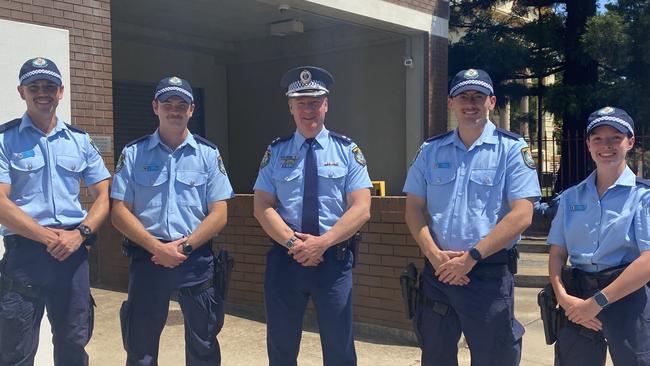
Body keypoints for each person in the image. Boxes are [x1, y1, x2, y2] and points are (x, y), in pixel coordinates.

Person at [403, 68, 540, 365]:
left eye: (478, 96)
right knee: (436, 357)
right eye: (462, 96)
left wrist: (471, 258)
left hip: (487, 274)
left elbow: (522, 214)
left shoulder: (511, 149)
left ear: (491, 102)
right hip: (438, 274)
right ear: (450, 103)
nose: (470, 103)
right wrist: (435, 255)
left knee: (494, 358)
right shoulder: (430, 150)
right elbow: (413, 207)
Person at [253, 66, 372, 366]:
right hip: (285, 261)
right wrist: (295, 244)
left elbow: (361, 207)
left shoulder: (347, 150)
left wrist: (323, 243)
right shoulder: (276, 152)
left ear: (326, 105)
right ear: (291, 107)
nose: (309, 110)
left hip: (333, 262)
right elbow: (262, 206)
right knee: (281, 346)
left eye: (315, 101)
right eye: (301, 102)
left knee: (339, 348)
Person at [111, 76, 234, 366]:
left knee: (203, 343)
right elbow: (119, 211)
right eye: (168, 104)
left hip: (195, 262)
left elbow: (220, 213)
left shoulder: (207, 154)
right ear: (156, 107)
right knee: (140, 346)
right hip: (148, 260)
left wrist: (185, 247)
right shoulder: (133, 153)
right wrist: (157, 248)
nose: (174, 110)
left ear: (192, 109)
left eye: (182, 105)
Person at [0, 57, 110, 366]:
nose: (42, 93)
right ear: (22, 92)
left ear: (61, 91)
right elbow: (1, 202)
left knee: (74, 344)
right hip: (25, 256)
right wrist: (49, 237)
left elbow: (103, 193)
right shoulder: (5, 140)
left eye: (49, 86)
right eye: (34, 87)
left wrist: (82, 233)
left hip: (72, 258)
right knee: (15, 350)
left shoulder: (80, 141)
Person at [547, 107, 650, 365]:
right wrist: (563, 297)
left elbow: (648, 261)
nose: (606, 145)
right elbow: (558, 253)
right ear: (588, 145)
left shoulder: (643, 197)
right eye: (598, 139)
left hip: (627, 298)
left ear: (630, 142)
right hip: (577, 300)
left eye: (615, 137)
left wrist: (598, 302)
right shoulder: (572, 197)